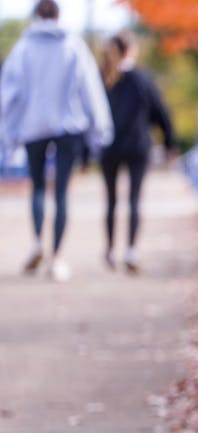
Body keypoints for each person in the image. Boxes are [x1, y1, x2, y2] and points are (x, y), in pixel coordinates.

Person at [0, 0, 112, 281]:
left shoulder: (23, 49)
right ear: (59, 16)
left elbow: (9, 95)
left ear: (36, 15)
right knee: (61, 192)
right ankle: (57, 256)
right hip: (69, 127)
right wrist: (100, 128)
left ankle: (37, 240)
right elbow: (90, 88)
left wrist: (8, 132)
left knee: (37, 187)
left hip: (32, 126)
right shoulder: (72, 46)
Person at [99, 31, 175, 273]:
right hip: (137, 146)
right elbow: (160, 112)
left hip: (108, 146)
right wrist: (169, 142)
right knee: (134, 199)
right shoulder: (142, 79)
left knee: (110, 201)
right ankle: (131, 250)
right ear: (131, 50)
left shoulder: (103, 78)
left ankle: (110, 249)